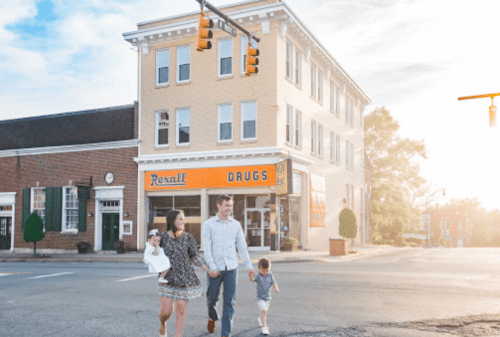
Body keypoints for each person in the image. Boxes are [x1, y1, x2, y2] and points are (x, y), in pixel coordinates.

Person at [202, 194, 256, 337]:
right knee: (212, 298)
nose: (229, 208)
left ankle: (226, 334)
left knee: (229, 301)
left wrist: (249, 267)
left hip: (232, 268)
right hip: (215, 268)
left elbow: (242, 247)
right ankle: (212, 317)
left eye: (231, 205)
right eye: (226, 205)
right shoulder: (209, 224)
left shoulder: (236, 225)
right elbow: (207, 249)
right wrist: (212, 267)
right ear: (219, 205)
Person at [157, 209, 212, 337]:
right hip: (167, 279)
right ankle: (163, 324)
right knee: (166, 312)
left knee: (181, 310)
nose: (183, 221)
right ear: (172, 221)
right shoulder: (162, 237)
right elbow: (153, 254)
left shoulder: (188, 237)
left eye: (184, 219)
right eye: (180, 219)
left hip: (184, 279)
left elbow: (195, 257)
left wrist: (209, 270)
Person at [250, 258, 280, 335]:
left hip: (267, 297)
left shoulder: (270, 274)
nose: (265, 272)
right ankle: (264, 328)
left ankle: (260, 319)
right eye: (263, 271)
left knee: (264, 311)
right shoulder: (258, 275)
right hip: (260, 298)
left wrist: (275, 288)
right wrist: (250, 276)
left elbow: (273, 282)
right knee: (263, 311)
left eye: (267, 270)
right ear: (259, 269)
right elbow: (252, 280)